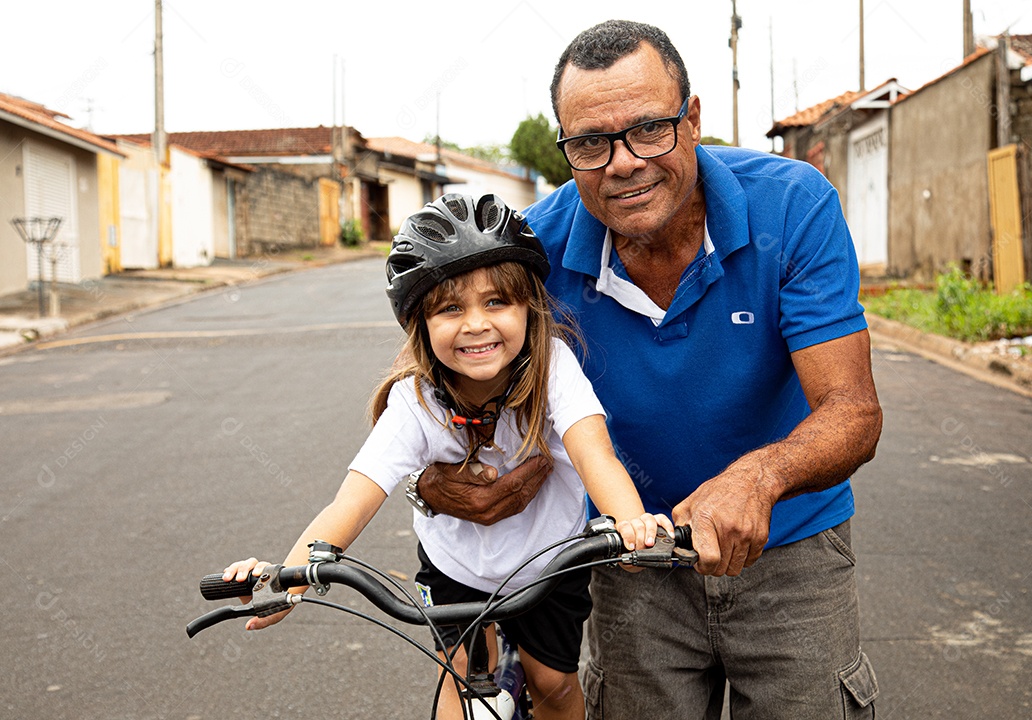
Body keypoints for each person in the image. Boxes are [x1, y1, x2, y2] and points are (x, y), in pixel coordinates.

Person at [411, 20, 884, 719]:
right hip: (627, 559)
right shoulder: (532, 253)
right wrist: (434, 484)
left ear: (691, 120)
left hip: (790, 551)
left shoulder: (791, 203)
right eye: (591, 144)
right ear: (566, 149)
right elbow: (444, 384)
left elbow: (853, 411)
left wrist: (758, 478)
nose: (623, 162)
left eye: (649, 129)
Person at [222, 192, 672, 720]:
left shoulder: (553, 366)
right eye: (450, 308)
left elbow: (597, 456)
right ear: (420, 323)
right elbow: (349, 503)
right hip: (453, 564)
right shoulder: (413, 403)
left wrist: (633, 523)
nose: (476, 324)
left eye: (497, 302)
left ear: (530, 307)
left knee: (551, 683)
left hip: (550, 560)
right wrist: (288, 578)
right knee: (456, 678)